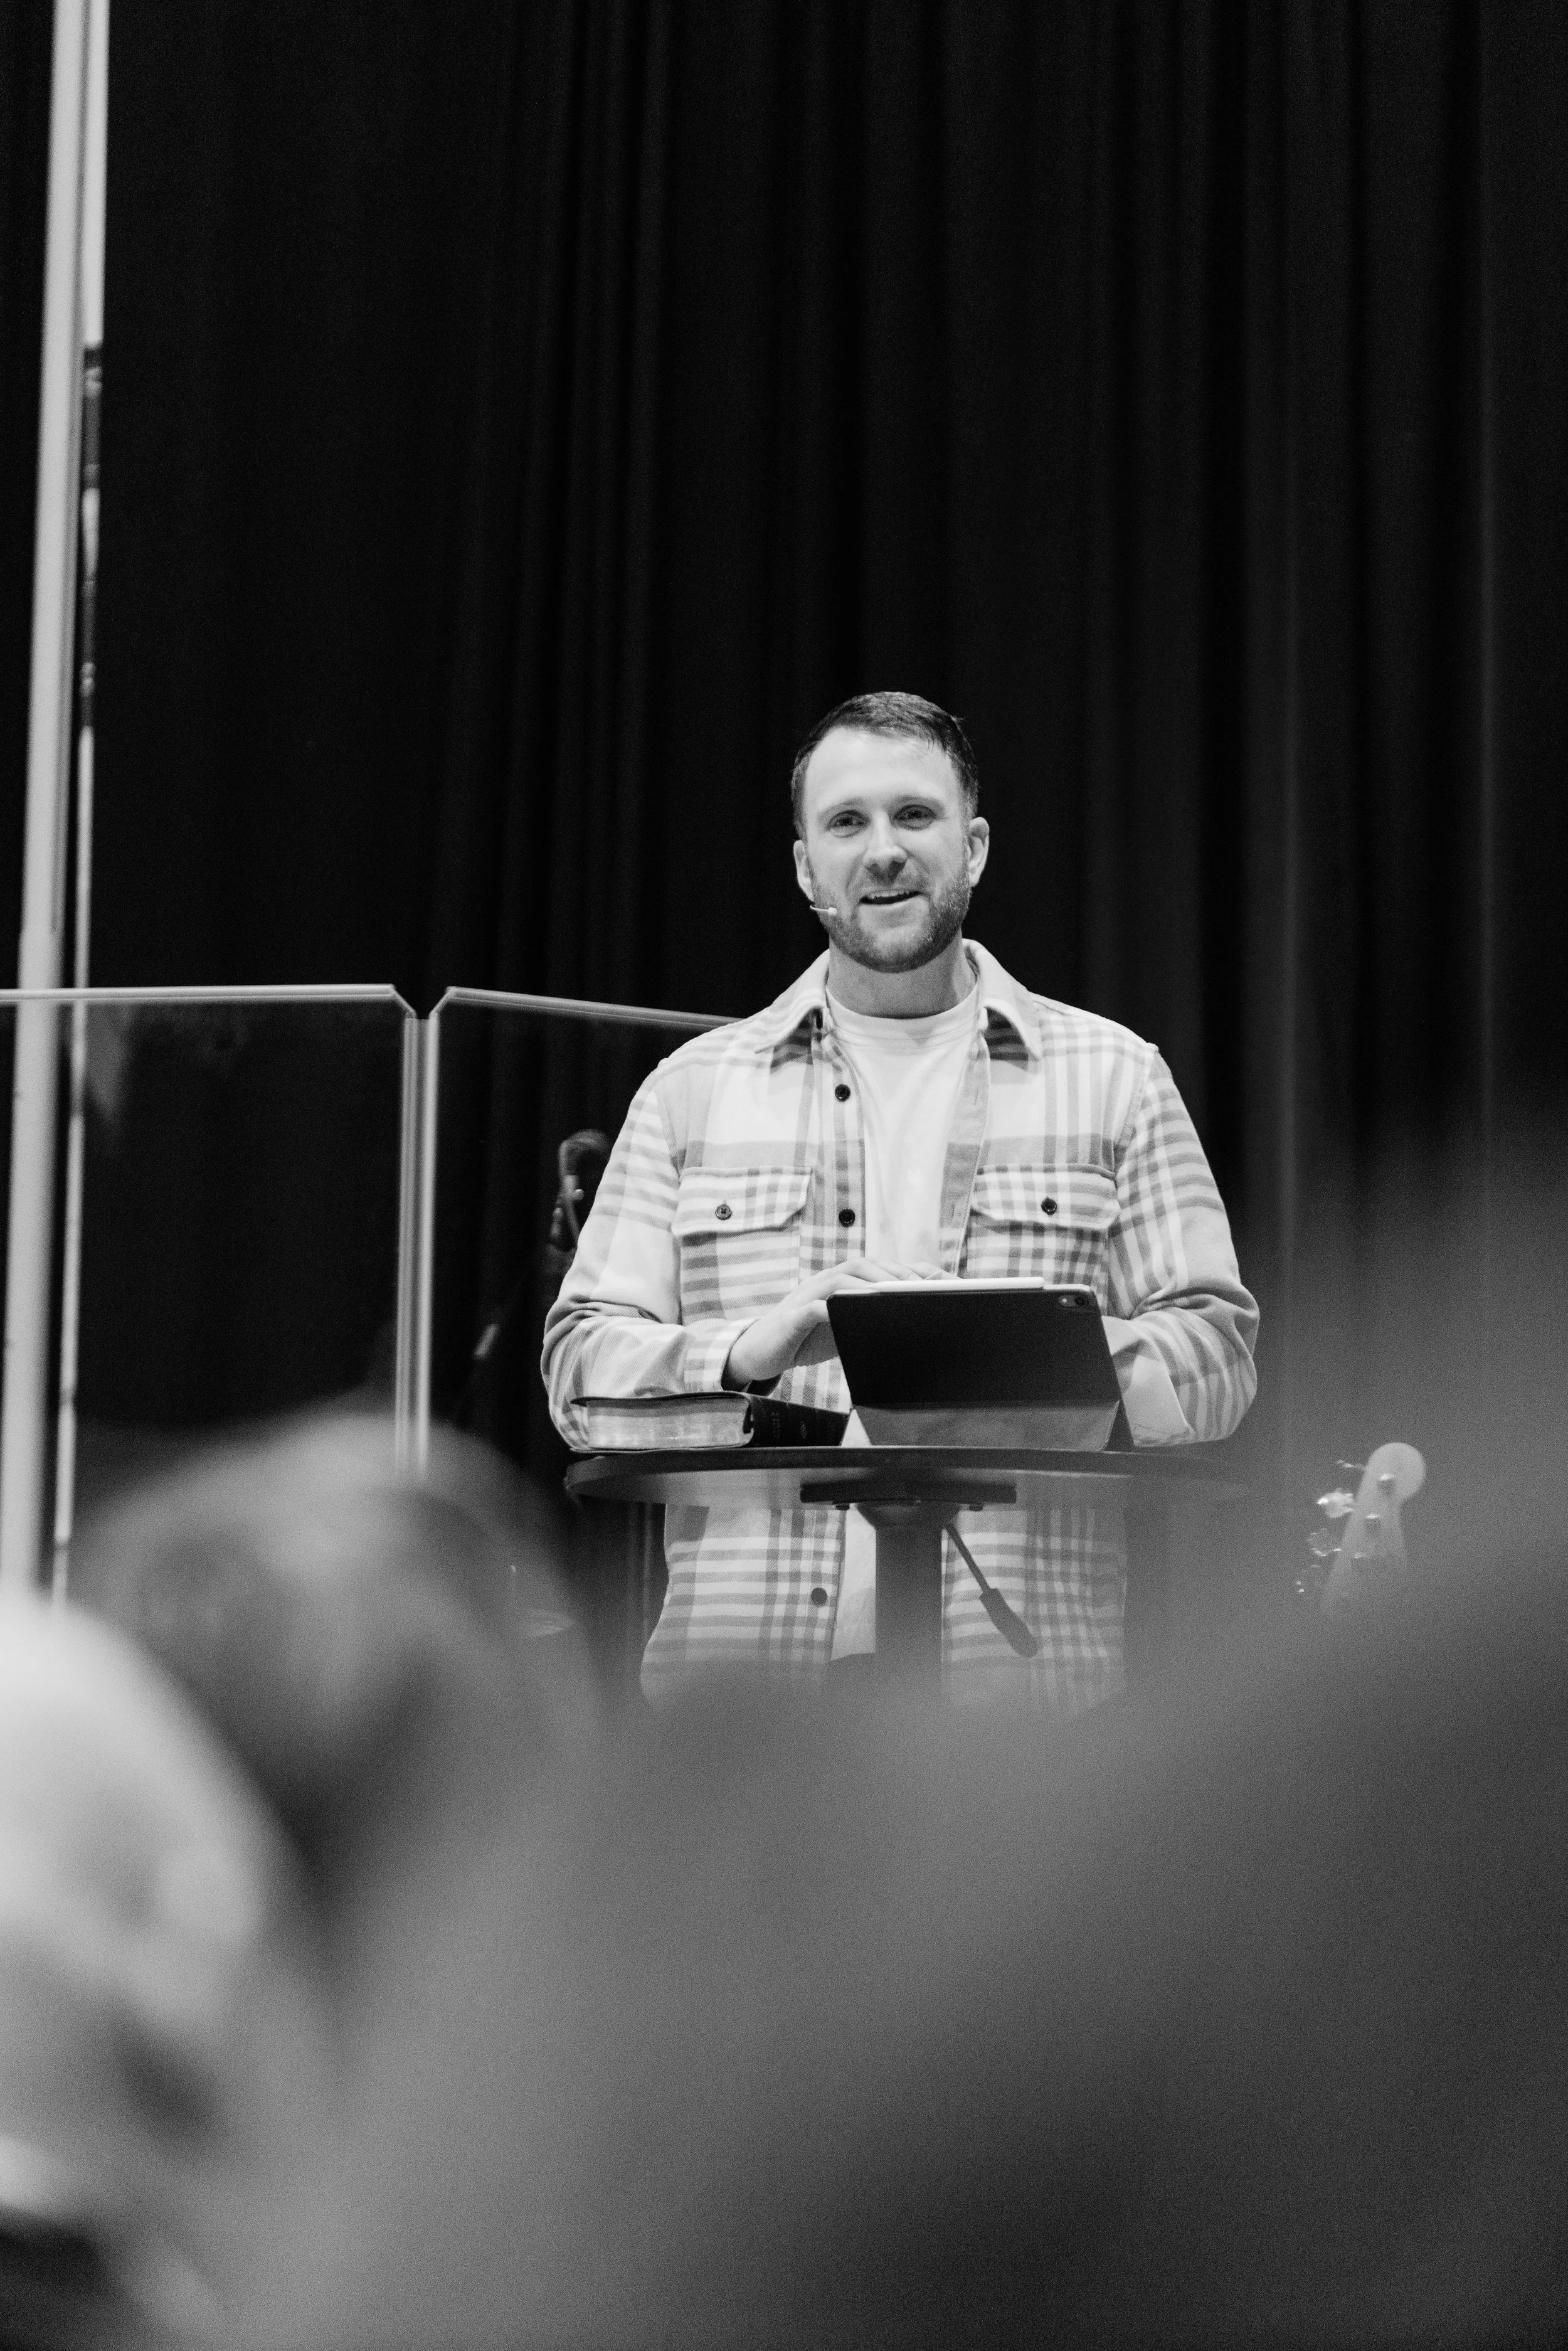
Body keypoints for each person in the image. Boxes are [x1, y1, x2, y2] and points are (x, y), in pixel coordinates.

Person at [543, 691, 1258, 1707]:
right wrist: (754, 1348)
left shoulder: (1114, 1077)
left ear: (973, 849)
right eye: (847, 822)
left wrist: (1040, 1357)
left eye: (915, 817)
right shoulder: (693, 1089)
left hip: (1023, 1724)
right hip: (746, 1723)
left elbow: (1221, 1357)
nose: (884, 851)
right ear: (804, 867)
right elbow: (578, 1373)